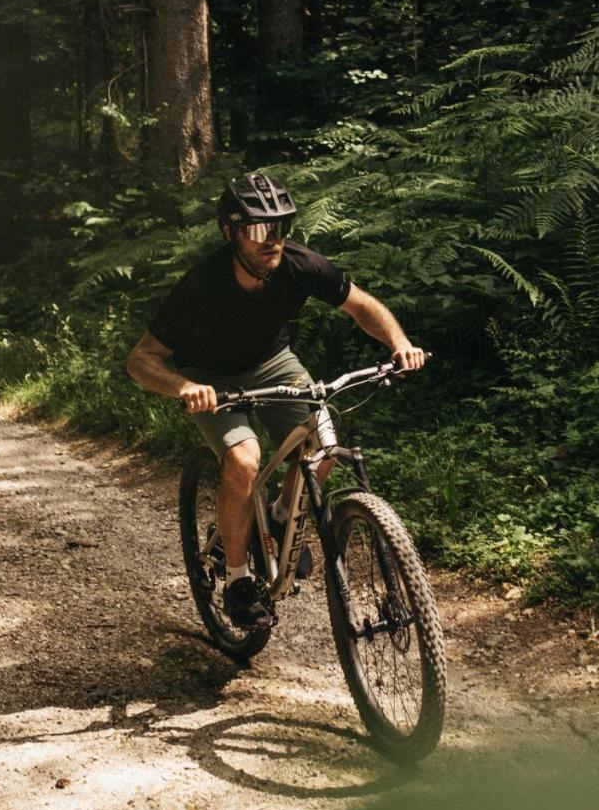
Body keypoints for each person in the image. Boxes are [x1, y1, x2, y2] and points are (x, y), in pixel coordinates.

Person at [126, 172, 425, 626]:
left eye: (282, 228)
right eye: (261, 230)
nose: (274, 241)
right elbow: (141, 358)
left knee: (324, 446)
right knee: (245, 461)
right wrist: (184, 387)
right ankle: (237, 579)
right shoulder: (202, 286)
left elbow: (361, 305)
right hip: (212, 376)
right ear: (231, 233)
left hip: (273, 362)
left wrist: (398, 344)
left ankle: (283, 518)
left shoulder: (300, 266)